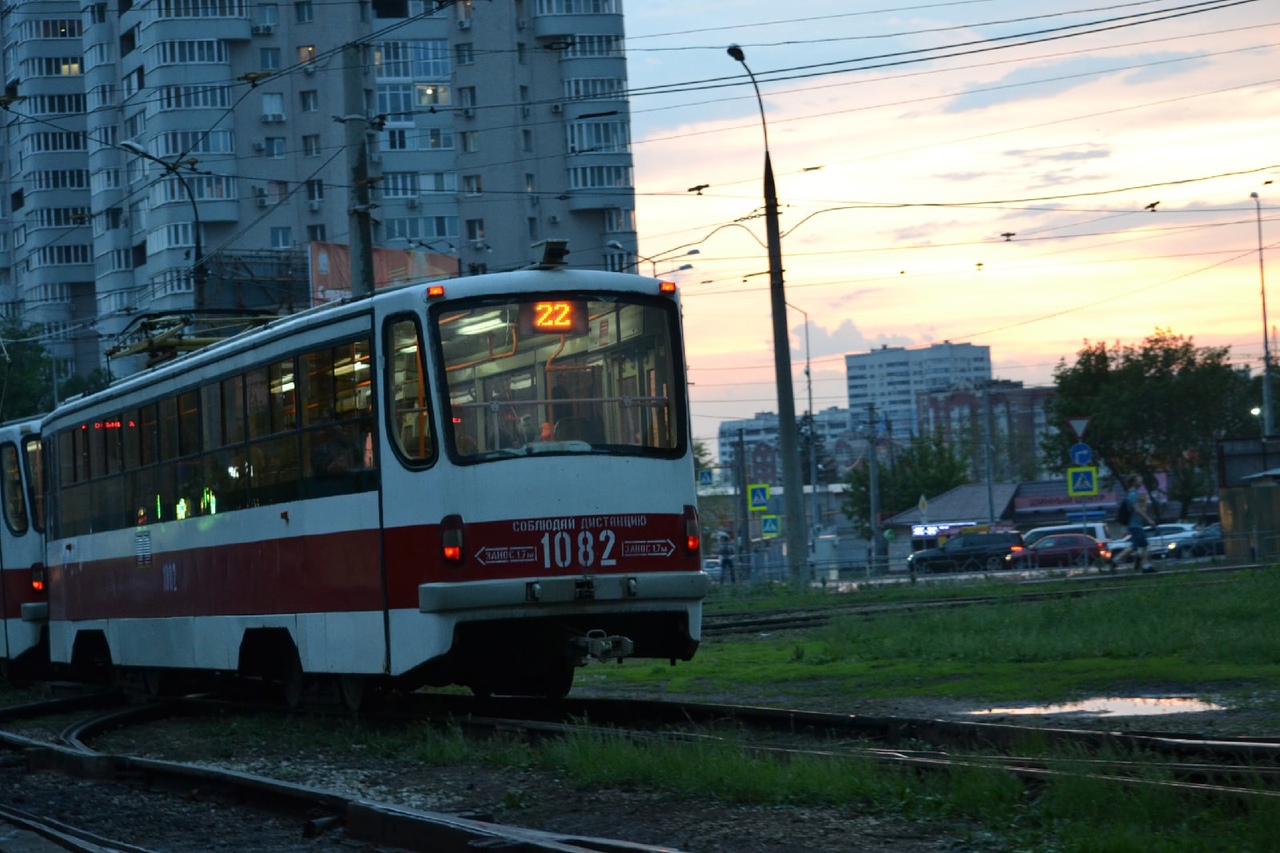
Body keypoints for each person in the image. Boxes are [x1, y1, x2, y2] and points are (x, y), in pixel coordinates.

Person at [1124, 473, 1156, 573]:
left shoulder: (1132, 493)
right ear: (1133, 482)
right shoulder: (1133, 494)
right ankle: (1145, 566)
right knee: (1144, 545)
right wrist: (1148, 519)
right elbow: (1137, 509)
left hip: (1134, 524)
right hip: (1135, 525)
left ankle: (1116, 560)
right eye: (1139, 480)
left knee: (1136, 546)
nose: (1141, 481)